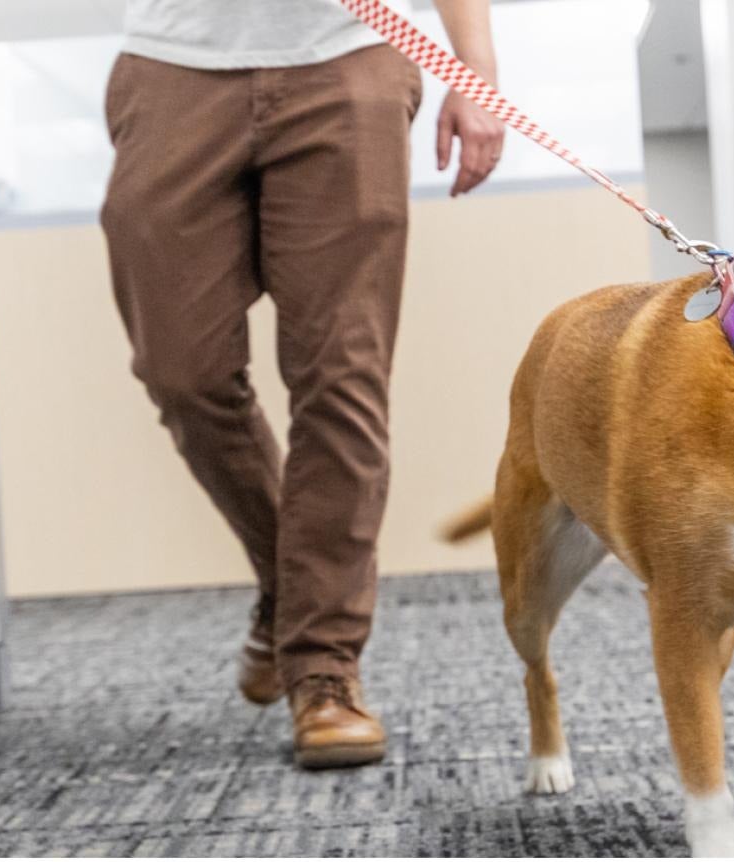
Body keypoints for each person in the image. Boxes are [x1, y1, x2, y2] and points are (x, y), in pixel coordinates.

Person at [100, 0, 504, 769]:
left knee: (341, 377)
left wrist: (475, 71)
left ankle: (324, 668)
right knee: (181, 372)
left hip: (347, 59)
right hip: (172, 69)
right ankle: (292, 591)